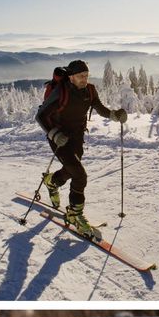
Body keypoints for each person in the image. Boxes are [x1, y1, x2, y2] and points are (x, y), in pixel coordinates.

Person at [35, 59, 127, 240]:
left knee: (71, 171)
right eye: (80, 76)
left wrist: (113, 115)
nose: (84, 79)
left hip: (77, 137)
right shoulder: (60, 92)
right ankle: (74, 214)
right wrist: (53, 133)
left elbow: (99, 107)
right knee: (79, 174)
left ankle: (52, 182)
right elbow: (40, 116)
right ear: (71, 77)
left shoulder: (90, 90)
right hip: (59, 138)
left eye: (86, 75)